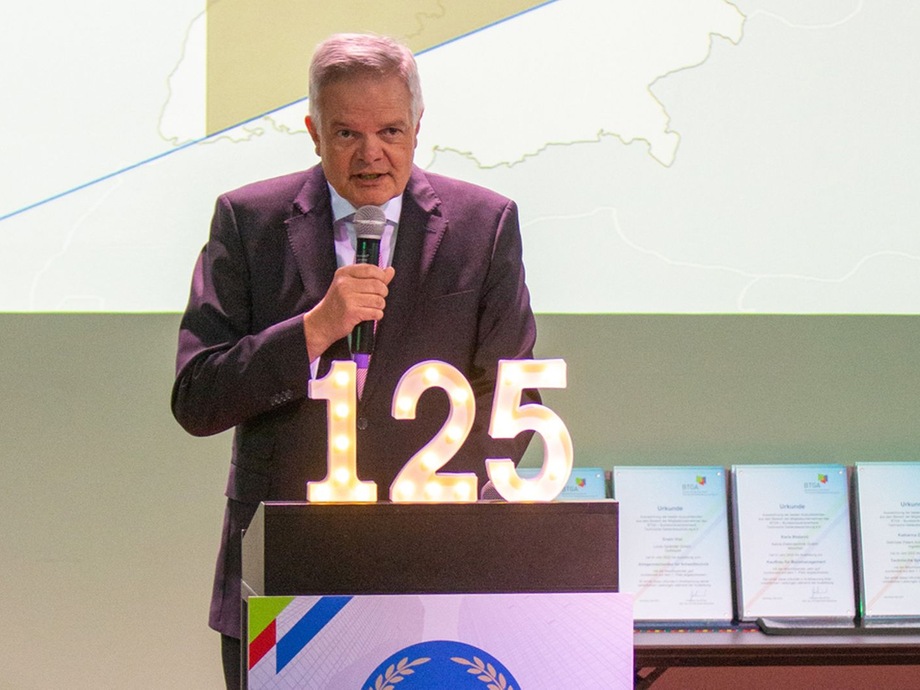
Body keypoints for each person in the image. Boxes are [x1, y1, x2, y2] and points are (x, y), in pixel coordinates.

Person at [171, 33, 538, 688]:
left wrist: (457, 523)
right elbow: (198, 397)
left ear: (418, 126)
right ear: (314, 132)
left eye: (391, 130)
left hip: (432, 577)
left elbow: (511, 398)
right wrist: (313, 331)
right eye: (347, 134)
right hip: (281, 571)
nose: (372, 154)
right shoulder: (248, 221)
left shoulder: (484, 225)